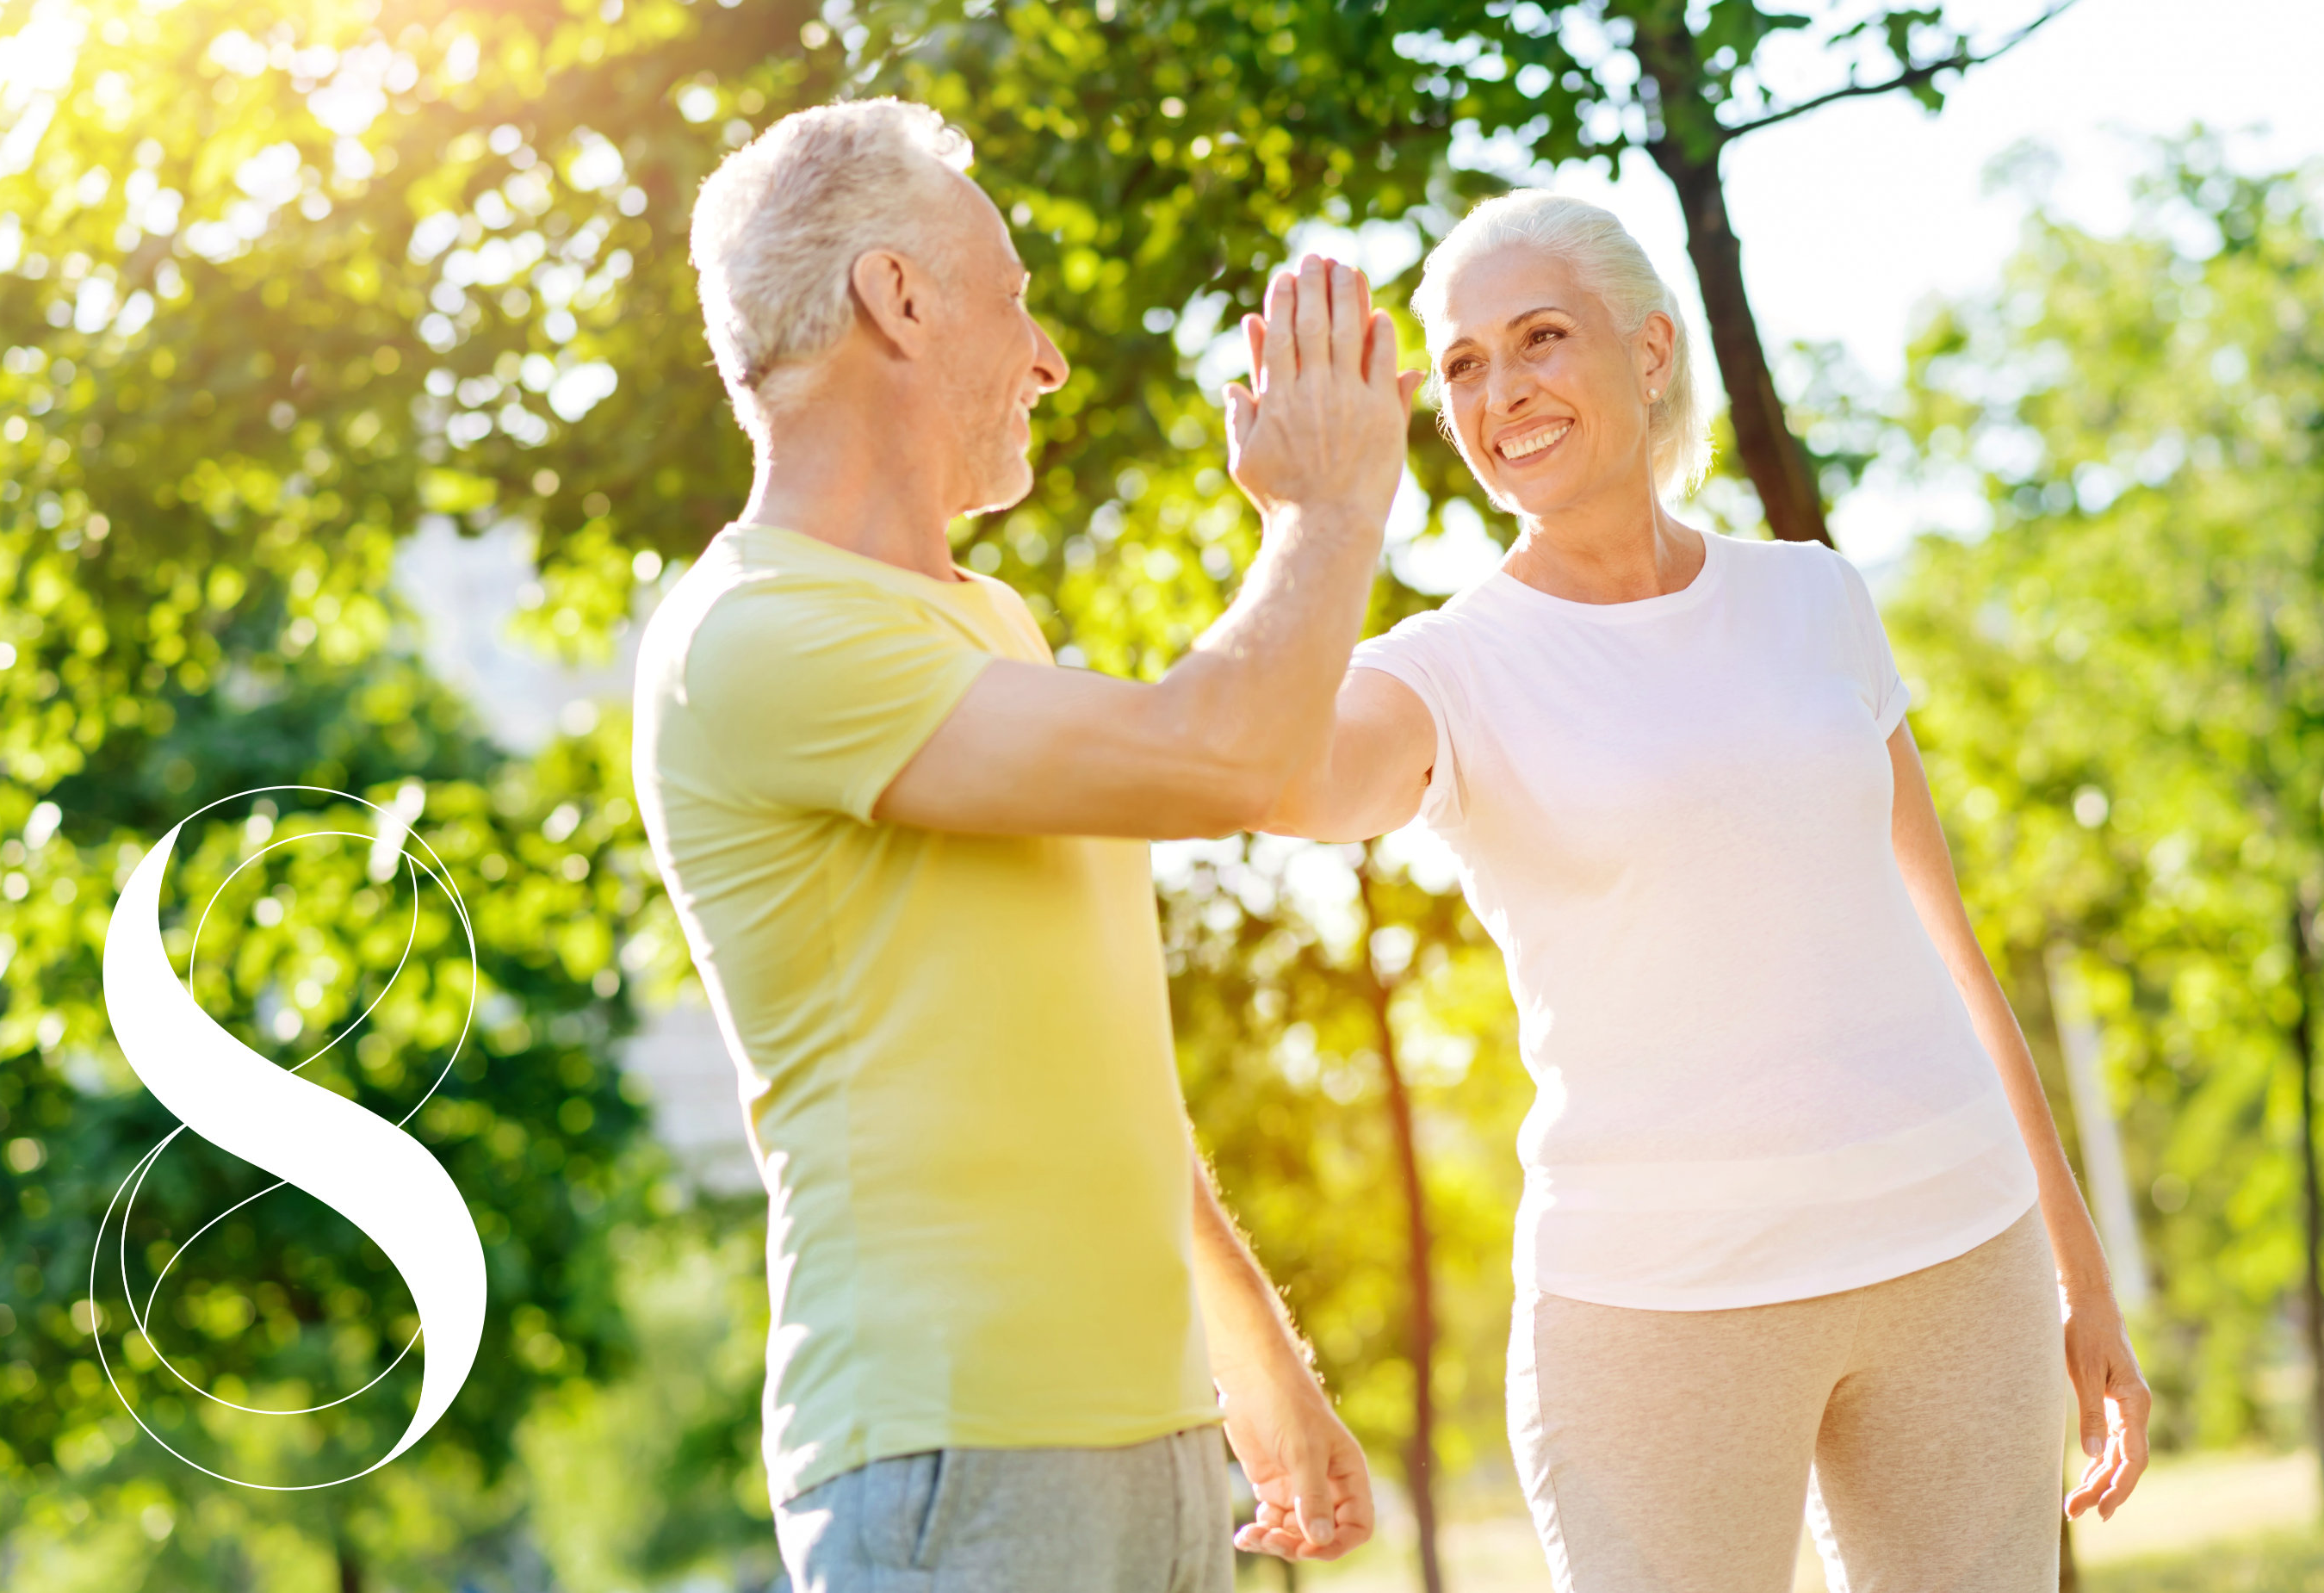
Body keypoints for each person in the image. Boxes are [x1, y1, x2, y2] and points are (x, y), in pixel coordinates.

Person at [1257, 189, 2154, 1590]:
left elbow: (1945, 939)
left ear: (1653, 348)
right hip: (1657, 1302)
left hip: (1955, 1254)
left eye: (1541, 337)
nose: (1502, 392)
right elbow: (1285, 782)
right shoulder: (1447, 667)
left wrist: (2075, 1262)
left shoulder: (1816, 599)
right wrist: (1317, 525)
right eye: (1464, 367)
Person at [631, 99, 1421, 1590]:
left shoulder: (992, 626)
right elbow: (1226, 756)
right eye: (1017, 299)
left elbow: (1078, 1044)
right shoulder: (754, 635)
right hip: (957, 1453)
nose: (1049, 356)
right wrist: (1329, 512)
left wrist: (1254, 1356)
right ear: (899, 297)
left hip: (1147, 1437)